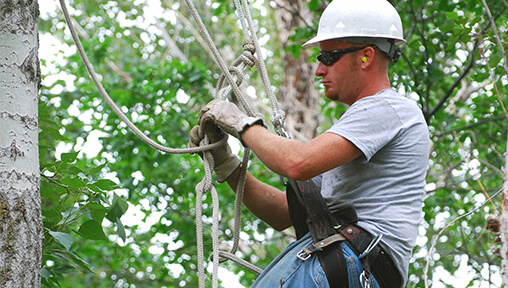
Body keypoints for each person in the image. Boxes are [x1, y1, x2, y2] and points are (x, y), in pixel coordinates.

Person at [189, 0, 430, 287]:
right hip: (346, 263)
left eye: (329, 57)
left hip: (352, 262)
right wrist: (226, 162)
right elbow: (282, 214)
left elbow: (297, 163)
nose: (317, 70)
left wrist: (240, 123)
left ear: (366, 57)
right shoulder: (355, 130)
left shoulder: (388, 109)